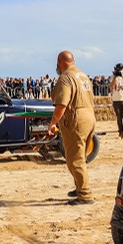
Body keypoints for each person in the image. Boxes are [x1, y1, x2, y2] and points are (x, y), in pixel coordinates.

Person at [47, 51, 97, 205]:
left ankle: (85, 194)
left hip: (77, 119)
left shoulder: (65, 78)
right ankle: (80, 186)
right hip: (89, 116)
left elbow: (62, 104)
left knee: (74, 159)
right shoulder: (82, 75)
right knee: (80, 155)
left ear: (59, 62)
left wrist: (53, 122)